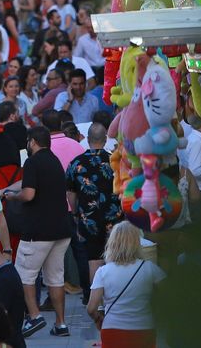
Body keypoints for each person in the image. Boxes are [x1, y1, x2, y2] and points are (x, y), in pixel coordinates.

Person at [8, 125, 75, 338]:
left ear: (33, 142)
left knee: (24, 275)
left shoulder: (32, 162)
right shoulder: (55, 161)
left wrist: (13, 197)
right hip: (61, 230)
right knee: (56, 278)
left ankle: (35, 316)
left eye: (28, 142)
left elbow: (28, 194)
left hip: (38, 231)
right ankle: (61, 324)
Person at [66, 121, 121, 305]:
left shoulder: (76, 164)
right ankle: (115, 299)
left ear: (88, 139)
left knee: (93, 260)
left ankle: (95, 302)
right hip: (114, 218)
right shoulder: (115, 161)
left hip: (88, 219)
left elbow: (71, 194)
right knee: (115, 258)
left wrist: (75, 213)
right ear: (105, 139)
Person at [88, 221, 165, 348]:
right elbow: (170, 295)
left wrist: (98, 319)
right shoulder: (150, 268)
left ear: (112, 243)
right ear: (137, 243)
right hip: (144, 328)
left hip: (112, 329)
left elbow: (91, 308)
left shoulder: (103, 272)